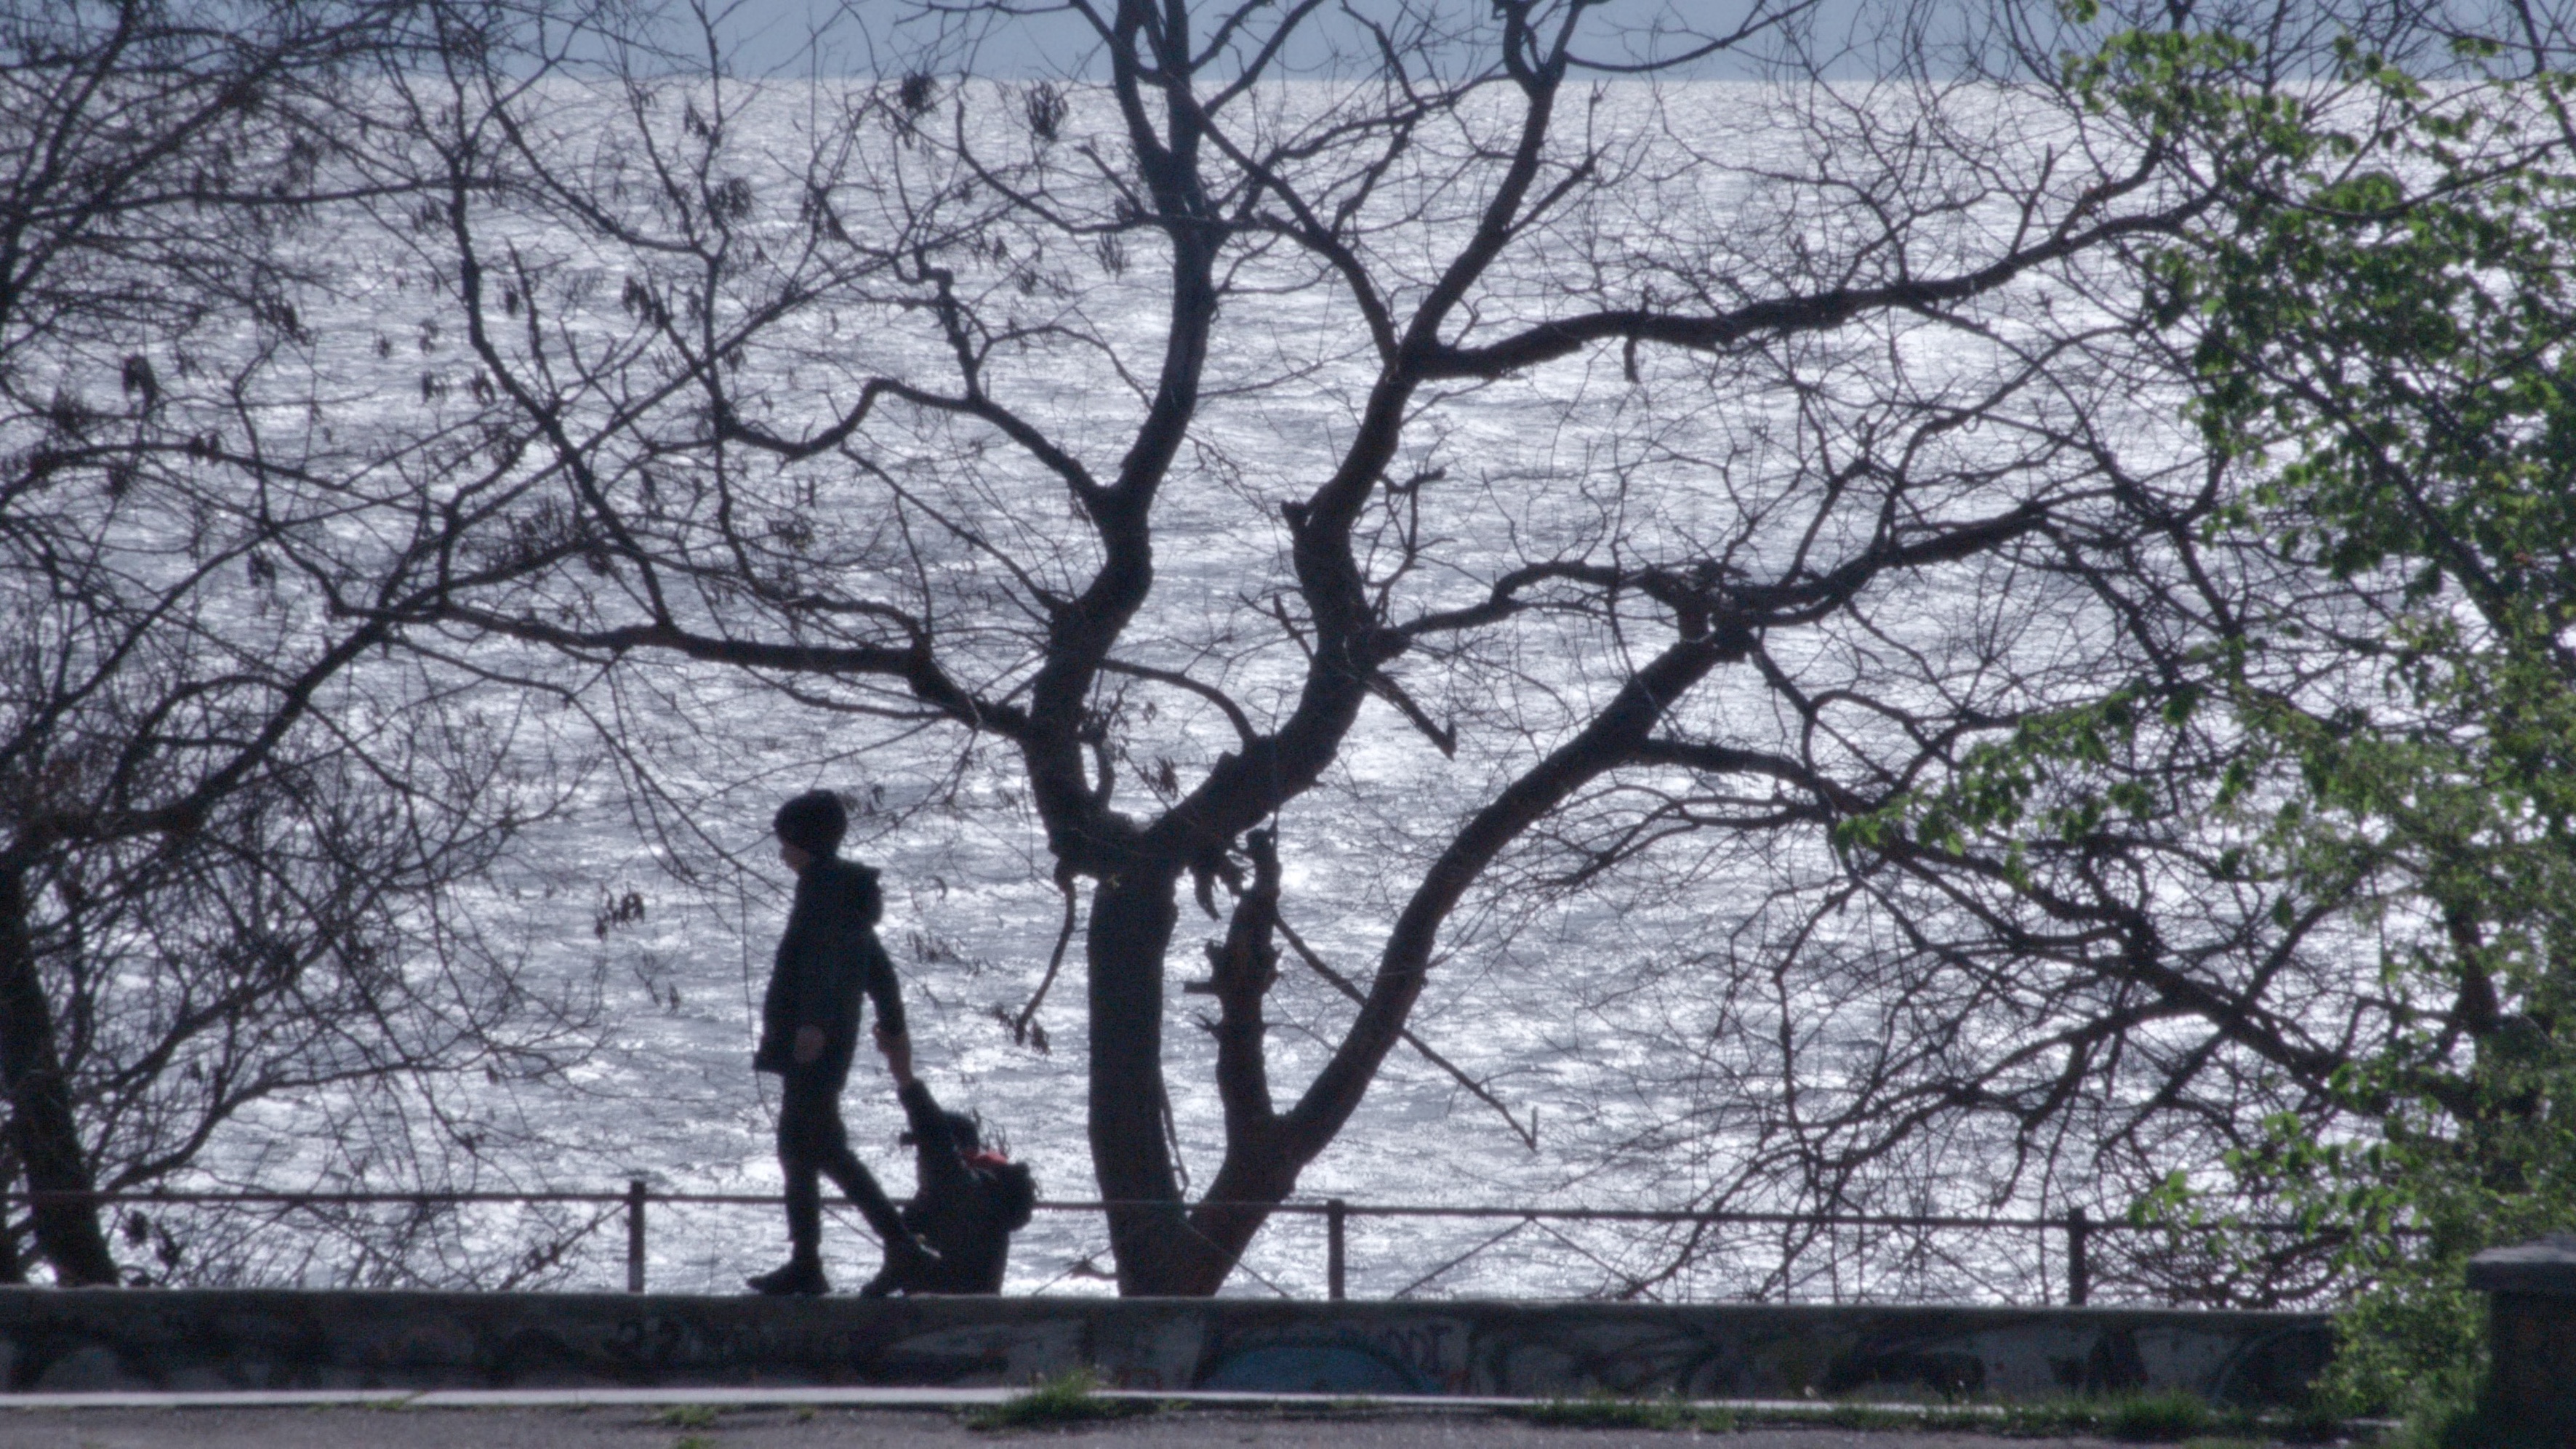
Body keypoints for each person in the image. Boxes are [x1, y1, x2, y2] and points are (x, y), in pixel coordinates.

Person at [747, 789, 936, 1296]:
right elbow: (877, 966)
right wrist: (892, 1024)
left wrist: (811, 1025)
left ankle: (887, 1250)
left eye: (784, 839)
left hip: (815, 1046)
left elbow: (821, 964)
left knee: (813, 1150)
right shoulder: (840, 891)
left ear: (801, 840)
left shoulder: (824, 892)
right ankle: (830, 1257)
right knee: (812, 1151)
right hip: (827, 1042)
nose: (780, 850)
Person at [862, 1025, 1037, 1296]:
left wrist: (905, 1077)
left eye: (923, 1152)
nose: (920, 1160)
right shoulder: (932, 1201)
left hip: (962, 1308)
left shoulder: (972, 1192)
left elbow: (938, 1148)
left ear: (961, 1155)